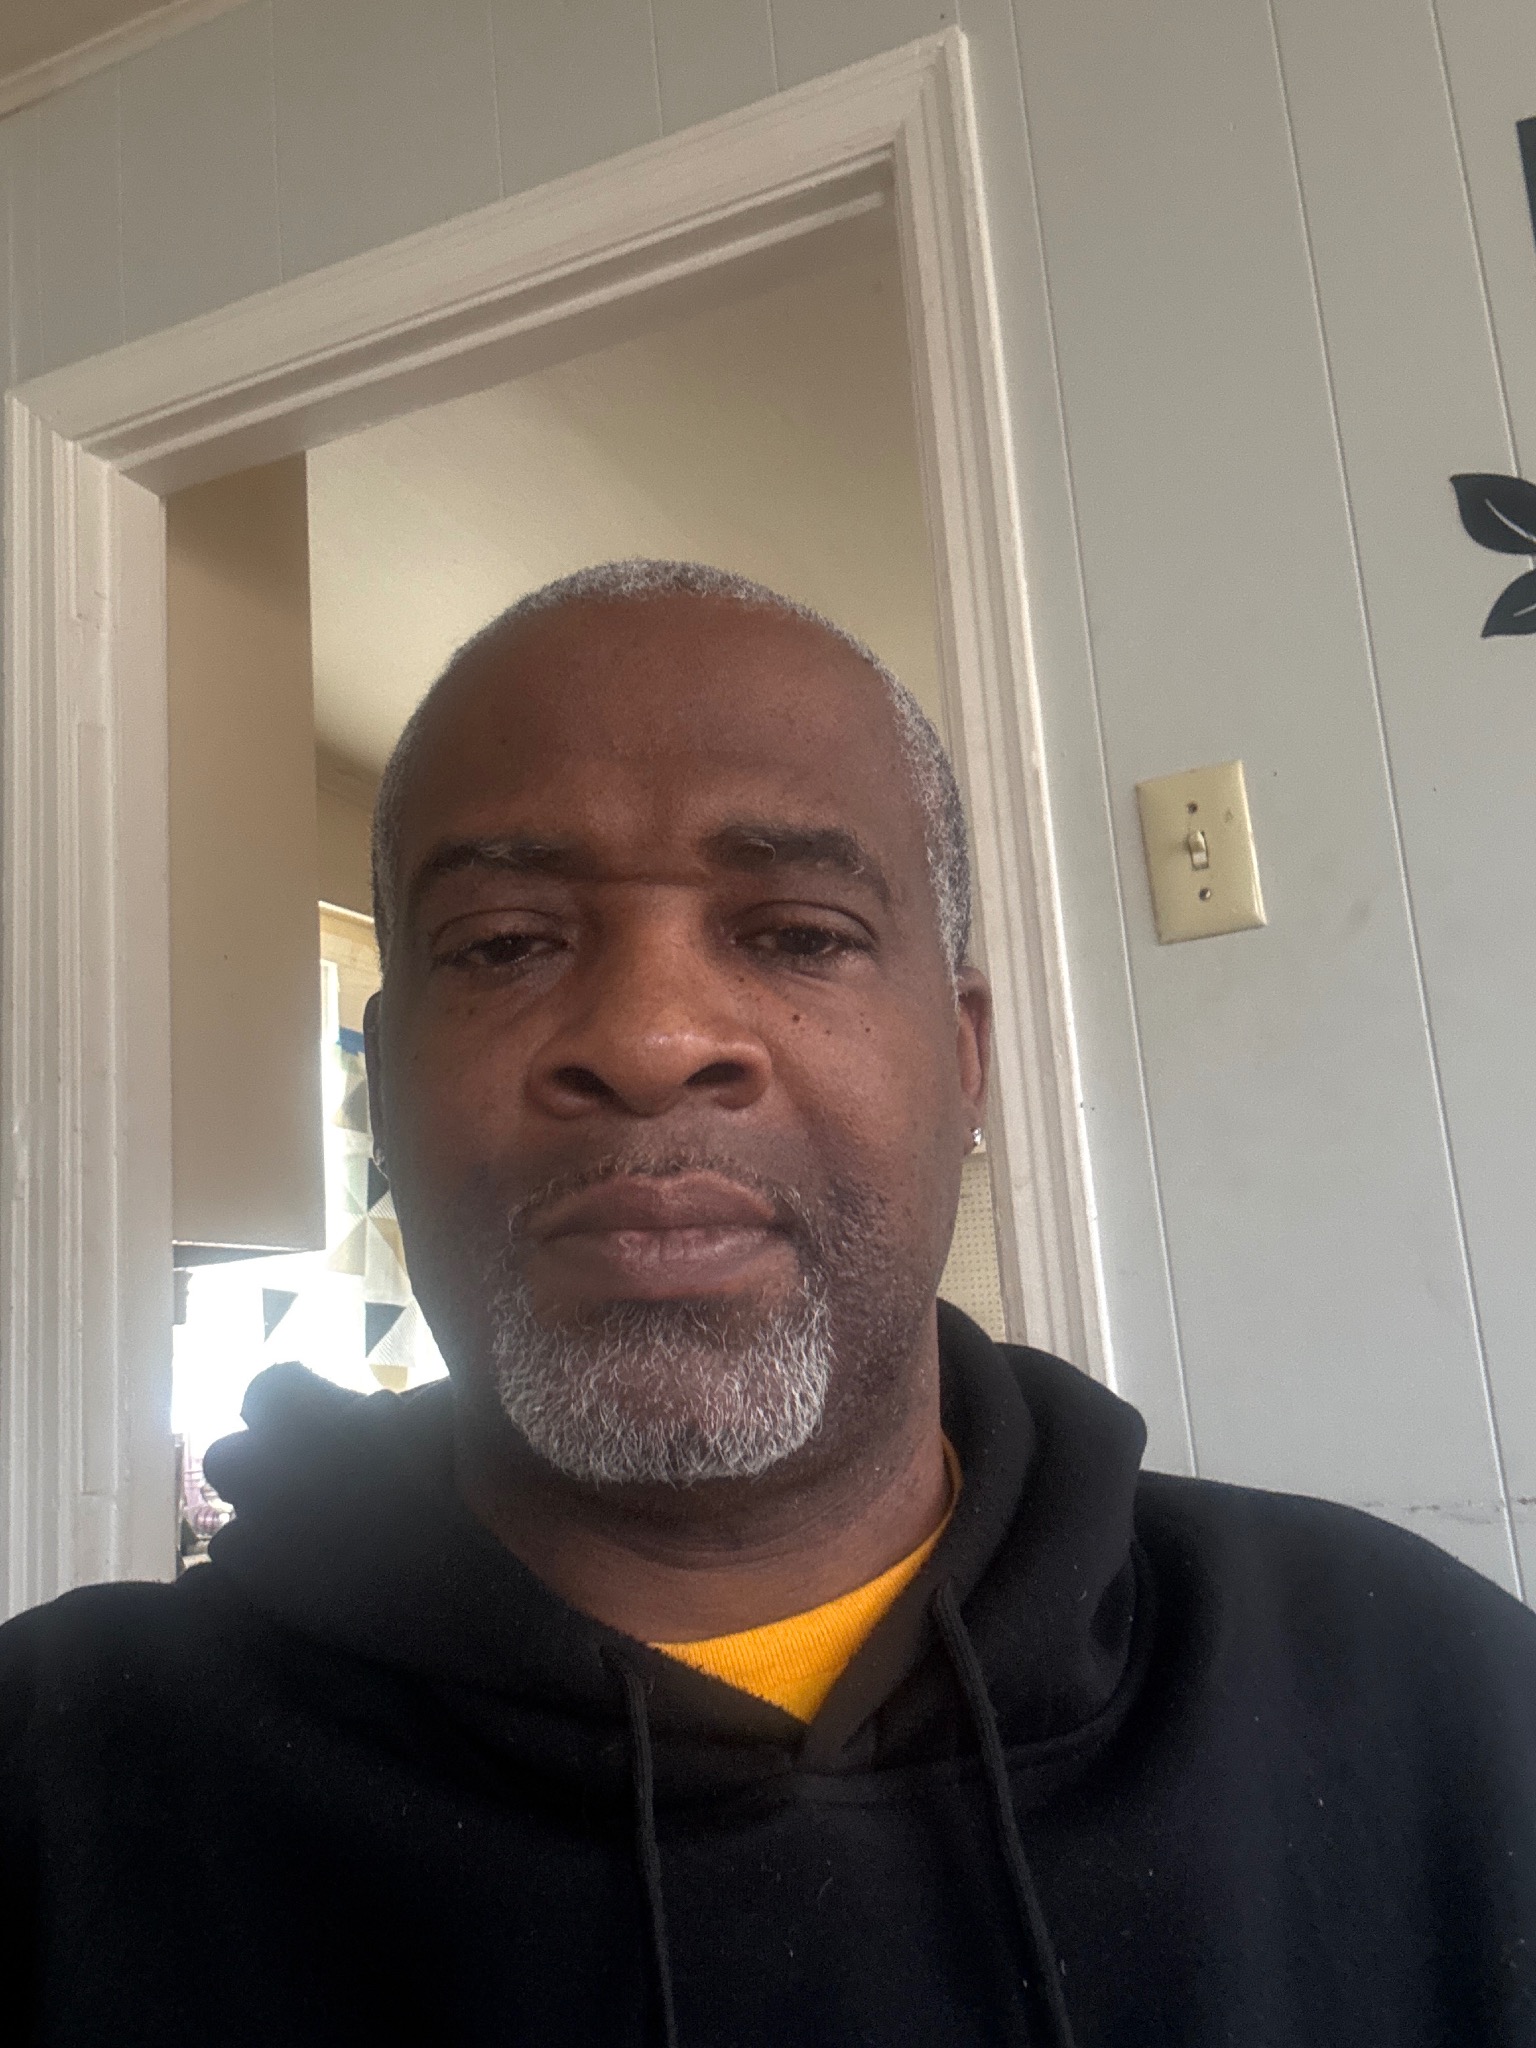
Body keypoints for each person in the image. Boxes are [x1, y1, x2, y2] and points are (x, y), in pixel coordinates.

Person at [2, 560, 1533, 2047]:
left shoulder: (1434, 1697)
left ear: (965, 1060)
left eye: (799, 933)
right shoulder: (57, 1777)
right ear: (388, 1080)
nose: (651, 1039)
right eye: (507, 944)